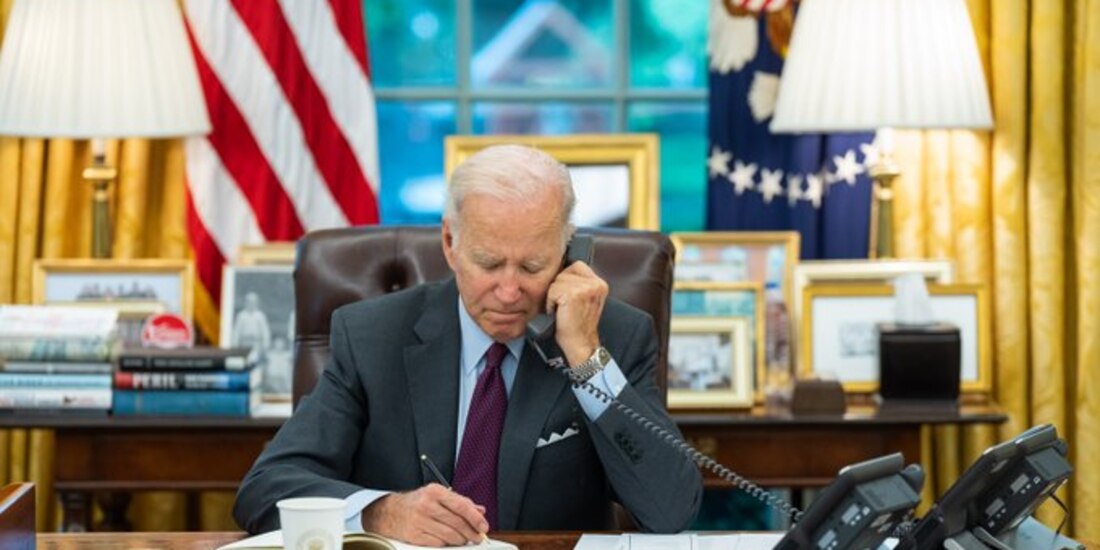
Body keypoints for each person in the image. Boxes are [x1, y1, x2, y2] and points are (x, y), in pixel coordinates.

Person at [233, 145, 702, 545]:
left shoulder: (613, 336)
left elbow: (671, 510)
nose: (509, 291)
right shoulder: (373, 337)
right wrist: (379, 512)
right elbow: (266, 488)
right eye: (489, 263)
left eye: (532, 267)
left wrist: (585, 358)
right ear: (450, 243)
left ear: (568, 253)